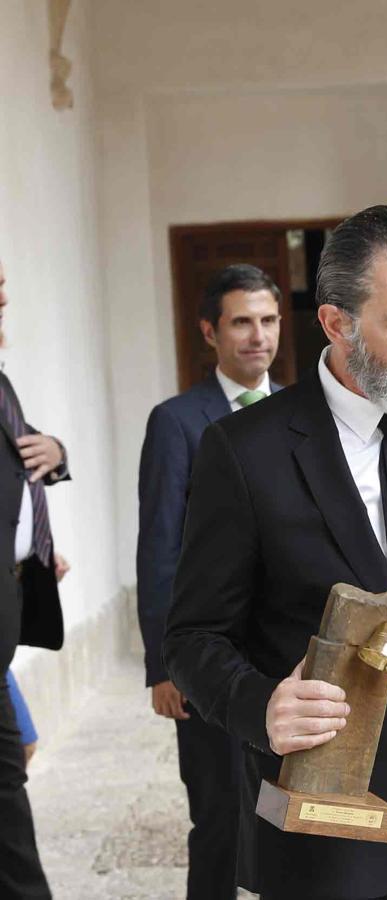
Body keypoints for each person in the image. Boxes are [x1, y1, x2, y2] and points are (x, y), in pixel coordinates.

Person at [163, 206, 387, 899]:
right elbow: (193, 634)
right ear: (336, 323)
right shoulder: (246, 453)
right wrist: (260, 707)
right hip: (329, 832)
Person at [136, 263, 282, 899]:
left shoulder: (305, 407)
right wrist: (163, 665)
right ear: (209, 332)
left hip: (287, 656)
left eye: (269, 320)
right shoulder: (176, 421)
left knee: (290, 818)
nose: (258, 336)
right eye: (242, 322)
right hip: (208, 655)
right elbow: (160, 547)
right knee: (220, 818)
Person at [0, 255, 73, 899]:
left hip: (13, 598)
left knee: (11, 775)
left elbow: (21, 455)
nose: (2, 299)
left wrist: (56, 452)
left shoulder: (1, 383)